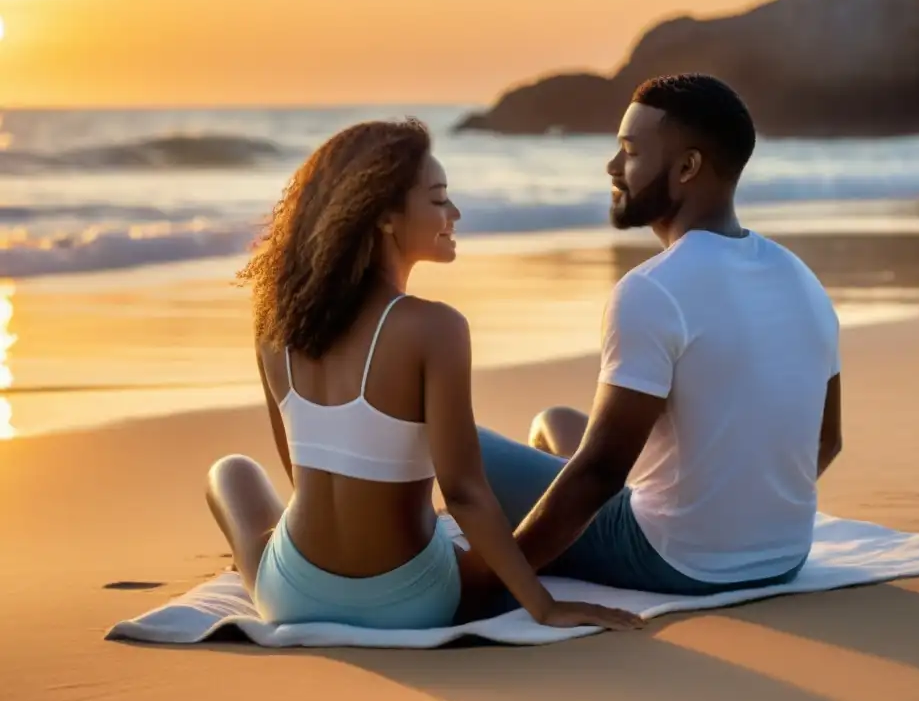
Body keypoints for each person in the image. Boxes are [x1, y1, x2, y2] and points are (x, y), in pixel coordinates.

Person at [205, 118, 643, 631]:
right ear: (386, 216)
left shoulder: (273, 322)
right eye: (438, 200)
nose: (454, 214)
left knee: (232, 474)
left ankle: (266, 555)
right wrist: (542, 606)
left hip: (293, 595)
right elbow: (465, 493)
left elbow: (300, 476)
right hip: (411, 600)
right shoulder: (435, 328)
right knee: (502, 535)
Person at [465, 74, 843, 605]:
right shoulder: (802, 278)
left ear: (687, 167)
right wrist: (749, 517)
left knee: (436, 431)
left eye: (630, 151)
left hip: (675, 561)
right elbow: (826, 442)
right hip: (785, 556)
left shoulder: (652, 290)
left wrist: (494, 586)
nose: (613, 168)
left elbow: (599, 476)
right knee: (554, 423)